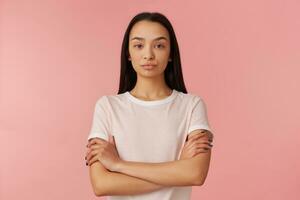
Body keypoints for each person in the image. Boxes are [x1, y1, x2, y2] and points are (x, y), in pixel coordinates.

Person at [84, 12, 214, 200]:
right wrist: (178, 169)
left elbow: (195, 174)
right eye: (139, 45)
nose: (148, 55)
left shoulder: (192, 105)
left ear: (170, 54)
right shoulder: (107, 107)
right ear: (128, 53)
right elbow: (101, 185)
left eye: (159, 45)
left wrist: (118, 165)